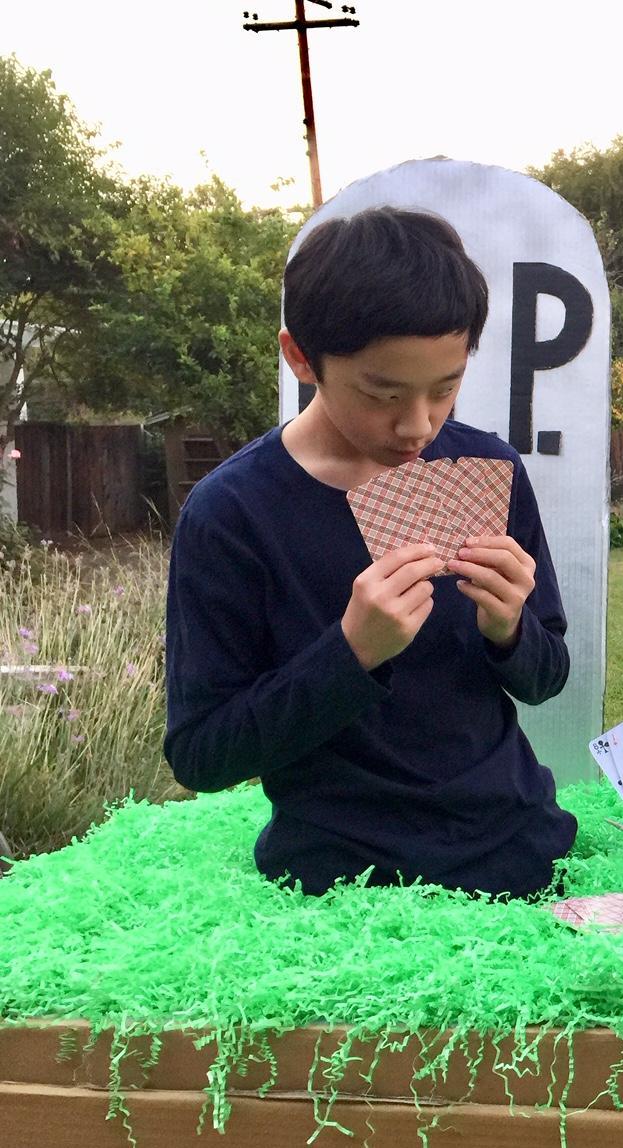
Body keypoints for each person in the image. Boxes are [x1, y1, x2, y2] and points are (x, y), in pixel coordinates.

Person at [164, 206, 577, 898]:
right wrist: (350, 654)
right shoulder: (231, 514)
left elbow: (547, 676)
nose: (417, 425)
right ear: (301, 357)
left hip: (516, 848)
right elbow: (202, 754)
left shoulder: (485, 468)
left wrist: (511, 631)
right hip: (337, 877)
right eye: (383, 393)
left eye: (445, 388)